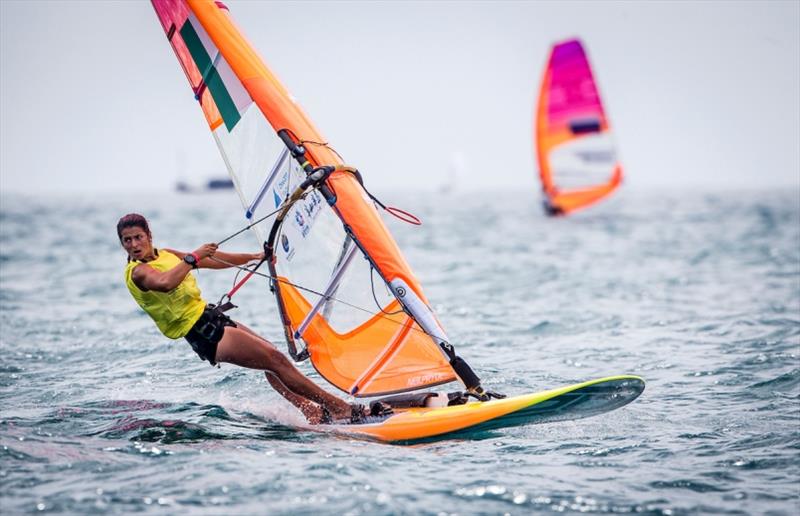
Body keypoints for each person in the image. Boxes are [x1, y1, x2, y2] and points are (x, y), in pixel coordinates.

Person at [117, 213, 369, 424]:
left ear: (149, 235)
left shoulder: (166, 254)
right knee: (275, 360)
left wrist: (253, 257)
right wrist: (193, 257)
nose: (134, 244)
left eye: (138, 237)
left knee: (270, 357)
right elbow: (165, 283)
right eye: (127, 241)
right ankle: (338, 409)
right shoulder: (138, 272)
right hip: (202, 332)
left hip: (211, 318)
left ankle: (310, 409)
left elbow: (213, 260)